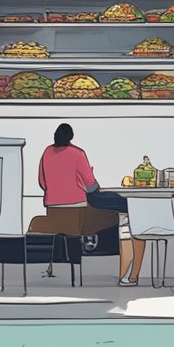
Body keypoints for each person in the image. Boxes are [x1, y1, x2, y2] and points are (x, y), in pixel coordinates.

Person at [37, 123, 144, 287]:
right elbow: (91, 185)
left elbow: (42, 183)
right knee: (120, 215)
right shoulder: (77, 154)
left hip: (54, 213)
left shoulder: (46, 153)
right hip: (79, 214)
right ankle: (126, 275)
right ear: (71, 137)